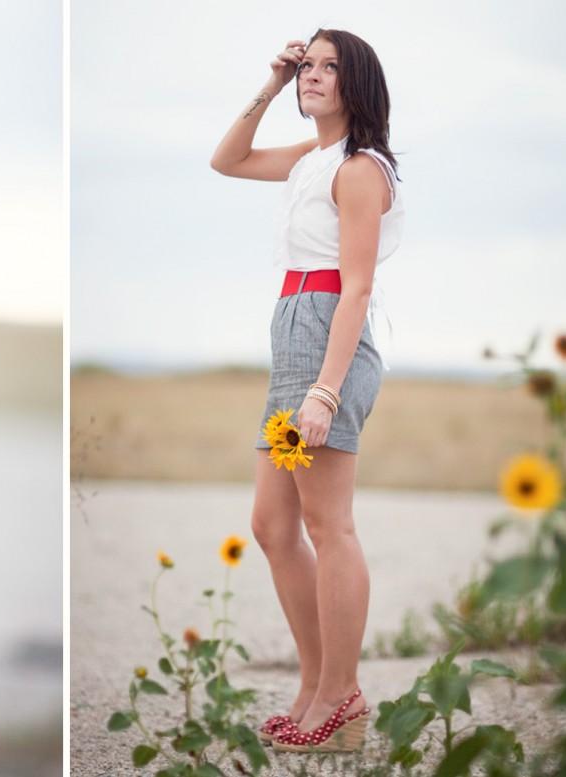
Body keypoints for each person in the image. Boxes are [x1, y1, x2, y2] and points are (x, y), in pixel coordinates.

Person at [210, 28, 405, 752]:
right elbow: (225, 160)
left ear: (358, 84)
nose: (312, 77)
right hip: (291, 322)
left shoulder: (358, 169)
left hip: (327, 332)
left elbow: (357, 287)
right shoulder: (311, 158)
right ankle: (319, 682)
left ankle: (338, 696)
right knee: (271, 525)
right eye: (308, 67)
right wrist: (271, 80)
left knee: (329, 525)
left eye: (329, 68)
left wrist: (325, 390)